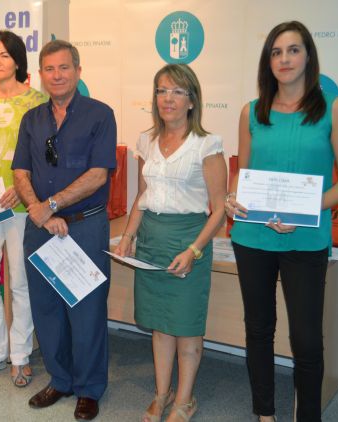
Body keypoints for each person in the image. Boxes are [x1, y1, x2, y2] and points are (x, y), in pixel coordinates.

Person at [226, 21, 338, 422]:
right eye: (276, 52)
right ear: (268, 61)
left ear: (308, 57)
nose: (284, 59)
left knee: (306, 340)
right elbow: (244, 173)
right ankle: (264, 414)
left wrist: (305, 210)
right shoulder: (252, 111)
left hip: (306, 239)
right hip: (253, 237)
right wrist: (233, 198)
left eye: (293, 50)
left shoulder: (332, 108)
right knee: (258, 330)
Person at [115, 64, 227, 422]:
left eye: (178, 91)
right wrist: (128, 236)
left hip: (188, 241)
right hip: (151, 239)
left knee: (186, 327)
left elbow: (220, 209)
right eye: (162, 90)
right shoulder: (146, 141)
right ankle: (161, 394)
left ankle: (184, 400)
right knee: (160, 326)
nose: (168, 98)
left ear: (192, 100)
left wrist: (194, 250)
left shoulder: (206, 144)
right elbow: (142, 195)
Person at [13, 40, 117, 421]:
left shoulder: (100, 115)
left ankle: (89, 388)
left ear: (78, 71)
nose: (56, 75)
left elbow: (98, 175)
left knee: (86, 311)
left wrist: (51, 205)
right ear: (41, 74)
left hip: (84, 227)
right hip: (40, 228)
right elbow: (20, 172)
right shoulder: (31, 119)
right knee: (47, 309)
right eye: (49, 69)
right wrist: (40, 213)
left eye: (64, 68)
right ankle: (60, 380)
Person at [0, 31, 47, 385]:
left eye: (3, 55)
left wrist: (22, 187)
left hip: (22, 201)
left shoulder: (37, 101)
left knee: (20, 281)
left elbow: (42, 156)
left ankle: (20, 355)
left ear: (17, 60)